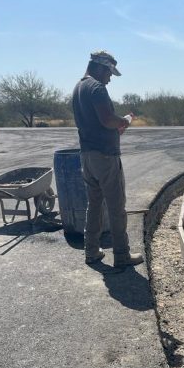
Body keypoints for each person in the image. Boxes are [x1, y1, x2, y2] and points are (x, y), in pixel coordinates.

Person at [72, 50, 143, 267]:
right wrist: (124, 120)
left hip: (87, 156)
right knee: (116, 207)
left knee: (94, 205)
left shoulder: (78, 88)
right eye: (109, 73)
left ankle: (91, 251)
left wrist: (114, 128)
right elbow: (107, 119)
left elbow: (96, 123)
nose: (110, 79)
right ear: (101, 67)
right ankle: (121, 255)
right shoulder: (96, 87)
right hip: (105, 157)